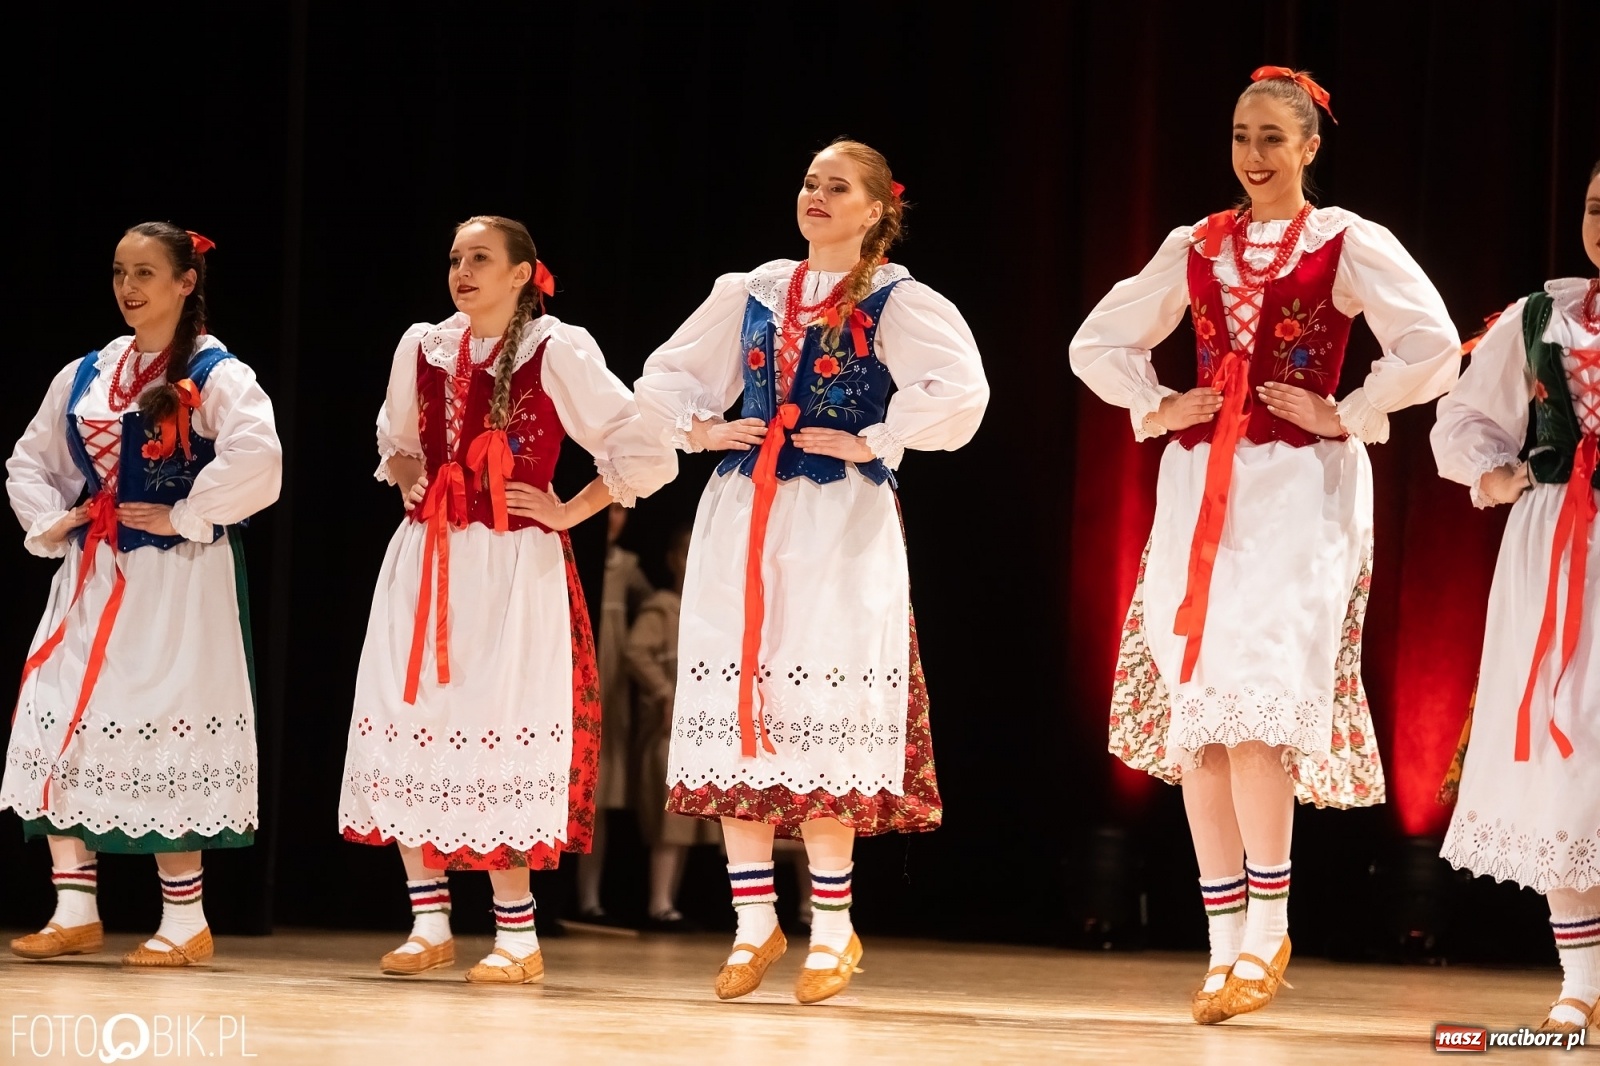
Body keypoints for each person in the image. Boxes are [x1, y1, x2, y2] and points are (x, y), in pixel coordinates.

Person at [1068, 67, 1461, 1023]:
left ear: (1310, 148)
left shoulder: (1346, 241)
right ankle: (1221, 943)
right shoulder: (1194, 243)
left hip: (1297, 491)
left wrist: (1353, 410)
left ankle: (1270, 923)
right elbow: (1096, 343)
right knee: (1198, 715)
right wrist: (1158, 406)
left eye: (1273, 139)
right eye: (1243, 136)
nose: (1253, 155)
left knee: (1258, 709)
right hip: (1202, 481)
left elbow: (1435, 344)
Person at [635, 139, 989, 1003]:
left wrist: (879, 438)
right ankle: (753, 922)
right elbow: (662, 378)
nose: (817, 196)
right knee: (740, 697)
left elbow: (961, 390)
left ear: (876, 210)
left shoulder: (896, 297)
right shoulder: (749, 291)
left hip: (838, 520)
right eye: (809, 182)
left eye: (839, 187)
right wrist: (701, 430)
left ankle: (832, 928)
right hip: (745, 514)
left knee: (820, 700)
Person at [337, 215, 674, 984]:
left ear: (523, 273)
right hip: (427, 559)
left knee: (504, 722)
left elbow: (641, 447)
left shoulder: (558, 348)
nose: (462, 271)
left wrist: (569, 509)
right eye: (455, 258)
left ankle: (516, 935)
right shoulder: (421, 344)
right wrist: (405, 469)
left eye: (481, 258)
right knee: (411, 717)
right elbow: (396, 439)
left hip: (512, 566)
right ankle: (429, 923)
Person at [3, 223, 282, 967]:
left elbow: (260, 459)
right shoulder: (88, 371)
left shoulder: (217, 373)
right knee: (59, 711)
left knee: (167, 720)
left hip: (179, 578)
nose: (129, 287)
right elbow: (31, 460)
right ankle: (74, 906)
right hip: (95, 571)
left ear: (185, 283)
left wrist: (188, 513)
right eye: (121, 273)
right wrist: (52, 520)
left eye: (147, 274)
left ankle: (185, 921)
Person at [1431, 161, 1600, 1035]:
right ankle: (1580, 976)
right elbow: (1462, 421)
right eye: (1596, 207)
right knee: (1564, 748)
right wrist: (1497, 475)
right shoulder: (1544, 317)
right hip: (1559, 546)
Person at [624, 523, 721, 930]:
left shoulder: (715, 611)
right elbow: (635, 651)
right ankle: (659, 903)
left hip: (708, 729)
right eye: (685, 553)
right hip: (670, 729)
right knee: (670, 817)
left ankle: (676, 904)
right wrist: (665, 692)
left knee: (698, 822)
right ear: (674, 560)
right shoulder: (664, 607)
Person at [572, 502, 654, 927]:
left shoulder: (627, 567)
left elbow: (653, 602)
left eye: (621, 511)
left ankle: (589, 898)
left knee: (599, 795)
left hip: (610, 692)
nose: (614, 518)